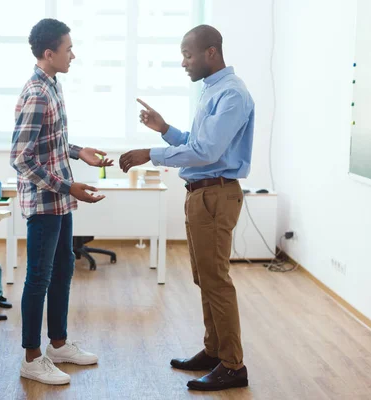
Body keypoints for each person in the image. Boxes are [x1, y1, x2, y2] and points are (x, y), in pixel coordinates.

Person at [120, 25, 254, 391]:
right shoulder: (214, 91)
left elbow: (207, 153)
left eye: (188, 55)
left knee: (216, 281)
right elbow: (198, 143)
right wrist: (165, 130)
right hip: (201, 194)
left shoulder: (232, 94)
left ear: (211, 52)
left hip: (216, 194)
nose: (183, 63)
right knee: (204, 278)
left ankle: (232, 366)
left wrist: (151, 154)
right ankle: (214, 351)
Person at [11, 18, 113, 385]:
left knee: (64, 268)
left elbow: (48, 142)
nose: (74, 54)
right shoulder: (36, 92)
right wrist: (67, 186)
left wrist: (78, 151)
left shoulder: (52, 85)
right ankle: (31, 358)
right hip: (44, 201)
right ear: (49, 53)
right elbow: (21, 158)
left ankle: (58, 344)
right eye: (69, 49)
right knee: (38, 277)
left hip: (60, 199)